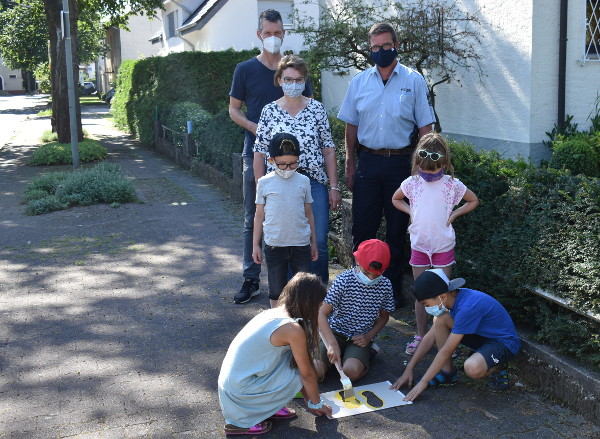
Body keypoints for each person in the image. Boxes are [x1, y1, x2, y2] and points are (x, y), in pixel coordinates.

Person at [337, 22, 436, 308]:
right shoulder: (359, 82)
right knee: (363, 228)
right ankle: (359, 288)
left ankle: (390, 290)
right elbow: (351, 125)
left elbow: (425, 127)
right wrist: (350, 163)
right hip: (367, 163)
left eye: (385, 46)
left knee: (396, 229)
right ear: (370, 49)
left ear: (396, 45)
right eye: (375, 47)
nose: (381, 51)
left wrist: (422, 168)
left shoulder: (413, 80)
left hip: (401, 165)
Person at [229, 9, 314, 304]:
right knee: (254, 215)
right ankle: (251, 277)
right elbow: (234, 109)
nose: (273, 38)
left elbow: (309, 107)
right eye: (268, 33)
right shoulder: (245, 70)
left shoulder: (295, 71)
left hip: (292, 161)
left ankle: (293, 281)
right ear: (259, 35)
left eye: (278, 33)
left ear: (284, 34)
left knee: (294, 211)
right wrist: (259, 129)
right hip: (255, 152)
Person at [254, 54, 340, 286]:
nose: (294, 84)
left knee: (318, 241)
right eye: (289, 79)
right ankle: (293, 298)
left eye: (299, 79)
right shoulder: (269, 112)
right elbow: (259, 153)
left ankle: (319, 299)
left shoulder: (317, 110)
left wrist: (333, 186)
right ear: (279, 80)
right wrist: (261, 191)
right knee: (288, 241)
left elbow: (329, 149)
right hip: (280, 184)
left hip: (313, 182)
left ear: (305, 81)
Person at [391, 133, 479, 355]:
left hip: (442, 246)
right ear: (417, 163)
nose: (429, 174)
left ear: (444, 164)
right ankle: (420, 335)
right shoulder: (412, 183)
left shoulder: (451, 184)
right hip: (419, 245)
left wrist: (454, 214)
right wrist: (411, 211)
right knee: (421, 293)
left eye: (434, 170)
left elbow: (473, 200)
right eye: (425, 170)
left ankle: (444, 338)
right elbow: (395, 198)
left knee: (442, 295)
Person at [218, 272, 333, 435]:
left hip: (235, 387)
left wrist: (310, 399)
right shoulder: (293, 330)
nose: (318, 310)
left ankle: (267, 408)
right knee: (302, 370)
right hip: (240, 395)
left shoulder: (276, 312)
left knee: (296, 364)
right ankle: (242, 422)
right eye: (317, 306)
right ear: (310, 303)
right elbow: (306, 373)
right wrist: (316, 403)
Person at [390, 269, 521, 401]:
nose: (426, 308)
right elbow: (429, 338)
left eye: (426, 304)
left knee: (472, 368)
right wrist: (409, 367)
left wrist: (424, 381)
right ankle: (447, 373)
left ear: (442, 297)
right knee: (440, 320)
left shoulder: (467, 308)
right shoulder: (453, 299)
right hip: (482, 337)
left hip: (504, 343)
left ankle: (498, 365)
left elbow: (447, 350)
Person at [253, 132, 318, 308]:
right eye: (282, 164)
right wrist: (256, 245)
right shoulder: (264, 182)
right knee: (276, 291)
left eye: (293, 163)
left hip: (301, 244)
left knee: (303, 290)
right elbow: (259, 215)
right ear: (271, 160)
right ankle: (277, 326)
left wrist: (314, 243)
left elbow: (309, 213)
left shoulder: (304, 181)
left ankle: (304, 326)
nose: (288, 169)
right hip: (274, 245)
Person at [315, 239, 395, 381]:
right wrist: (332, 344)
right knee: (315, 371)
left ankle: (367, 352)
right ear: (357, 260)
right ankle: (340, 356)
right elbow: (321, 312)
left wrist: (369, 336)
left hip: (361, 337)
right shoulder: (343, 280)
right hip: (335, 332)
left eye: (376, 275)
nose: (371, 278)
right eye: (366, 272)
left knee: (351, 372)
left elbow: (384, 317)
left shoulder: (386, 285)